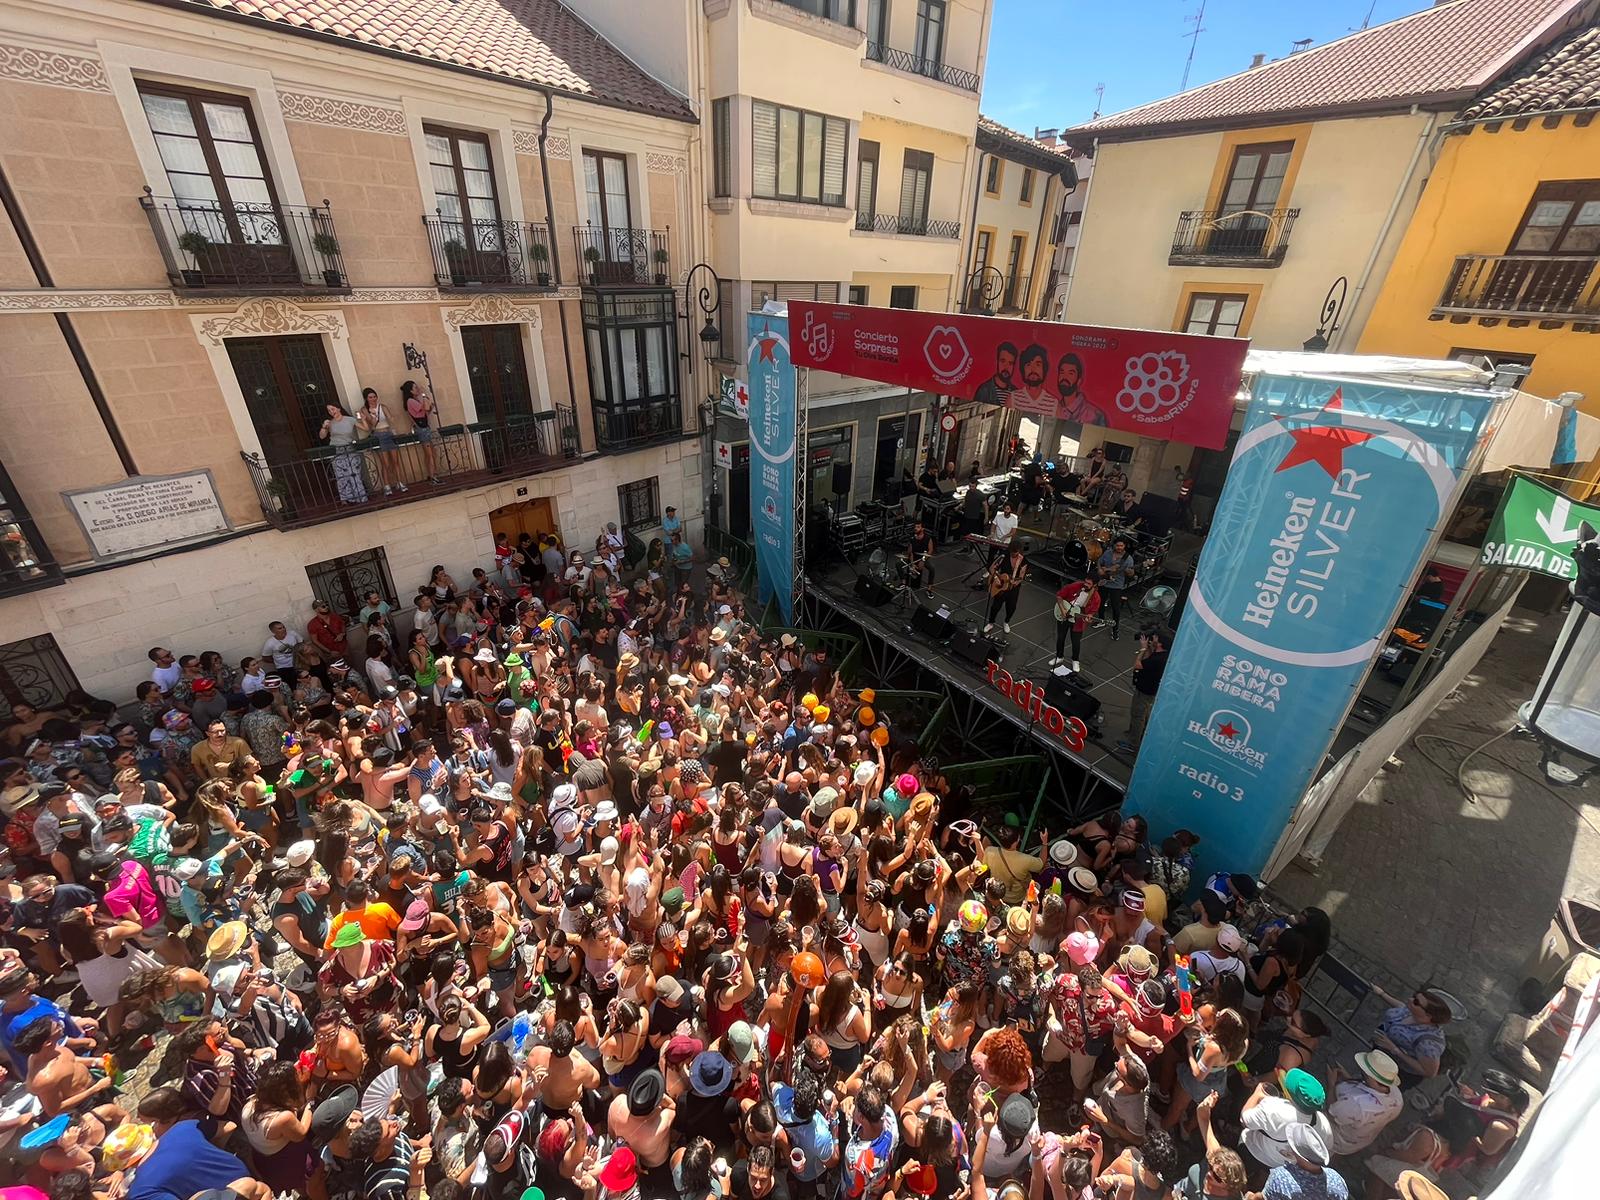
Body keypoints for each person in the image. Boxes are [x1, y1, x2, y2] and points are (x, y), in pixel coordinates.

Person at [1119, 628, 1168, 754]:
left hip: (1145, 691)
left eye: (1155, 638)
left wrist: (1142, 649)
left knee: (1138, 714)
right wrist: (1149, 649)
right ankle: (1136, 733)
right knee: (1143, 713)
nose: (1153, 640)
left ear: (1161, 643)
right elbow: (1148, 659)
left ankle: (1133, 743)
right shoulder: (1162, 655)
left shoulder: (1157, 660)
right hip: (1149, 689)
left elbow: (1138, 665)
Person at [357, 387, 406, 496]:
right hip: (378, 435)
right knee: (385, 463)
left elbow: (391, 418)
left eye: (374, 396)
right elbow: (372, 424)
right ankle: (387, 485)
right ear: (366, 398)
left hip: (388, 433)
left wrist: (392, 417)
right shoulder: (364, 409)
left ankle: (400, 482)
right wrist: (372, 418)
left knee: (395, 461)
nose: (373, 399)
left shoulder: (382, 407)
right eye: (370, 397)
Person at [320, 403, 368, 505]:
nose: (331, 412)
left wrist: (363, 419)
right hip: (337, 450)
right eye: (329, 411)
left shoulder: (349, 420)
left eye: (332, 409)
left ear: (338, 408)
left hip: (349, 448)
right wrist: (324, 427)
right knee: (341, 476)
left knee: (354, 473)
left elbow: (365, 428)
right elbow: (322, 436)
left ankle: (360, 497)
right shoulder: (330, 423)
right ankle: (347, 499)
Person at [1052, 574, 1100, 672]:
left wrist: (1089, 617)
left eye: (1089, 584)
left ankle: (1075, 660)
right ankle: (1059, 656)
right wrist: (1062, 610)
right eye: (1085, 582)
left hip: (1078, 620)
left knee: (1075, 642)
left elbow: (1092, 612)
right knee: (1060, 637)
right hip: (1065, 614)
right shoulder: (1075, 586)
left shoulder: (1096, 597)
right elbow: (1059, 596)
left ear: (1094, 585)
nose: (1085, 584)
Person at [401, 380, 441, 483]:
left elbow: (426, 410)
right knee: (430, 454)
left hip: (424, 427)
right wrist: (423, 394)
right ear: (410, 390)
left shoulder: (414, 401)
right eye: (415, 388)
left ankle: (433, 474)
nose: (417, 389)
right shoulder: (410, 401)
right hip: (422, 429)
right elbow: (426, 407)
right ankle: (432, 477)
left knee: (432, 453)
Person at [1096, 539, 1137, 638]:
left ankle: (1115, 629)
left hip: (1116, 586)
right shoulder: (1108, 553)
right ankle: (1101, 620)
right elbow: (1099, 561)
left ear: (1124, 546)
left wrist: (1129, 572)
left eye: (1121, 546)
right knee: (1099, 603)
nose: (1119, 547)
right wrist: (1100, 570)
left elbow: (1131, 573)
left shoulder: (1128, 559)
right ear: (1114, 545)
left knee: (1116, 608)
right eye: (1117, 545)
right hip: (1104, 582)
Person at [983, 543, 1027, 636]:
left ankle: (1006, 622)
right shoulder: (1003, 557)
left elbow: (1021, 576)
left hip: (1013, 588)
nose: (1014, 555)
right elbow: (991, 568)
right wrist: (996, 579)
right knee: (995, 606)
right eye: (1012, 553)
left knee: (1011, 607)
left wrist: (1016, 582)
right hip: (1001, 585)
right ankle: (991, 622)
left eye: (1016, 553)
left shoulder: (1022, 560)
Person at [1055, 353, 1106, 426]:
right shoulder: (1053, 407)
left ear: (1079, 381)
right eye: (1062, 372)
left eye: (1070, 373)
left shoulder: (1094, 415)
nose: (1064, 377)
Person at [908, 519, 936, 596]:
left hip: (922, 557)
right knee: (900, 564)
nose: (916, 528)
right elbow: (910, 552)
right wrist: (912, 563)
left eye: (918, 527)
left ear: (922, 529)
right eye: (915, 527)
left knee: (932, 568)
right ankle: (903, 583)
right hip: (913, 557)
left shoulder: (928, 538)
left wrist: (923, 560)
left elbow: (930, 550)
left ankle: (929, 589)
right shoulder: (912, 538)